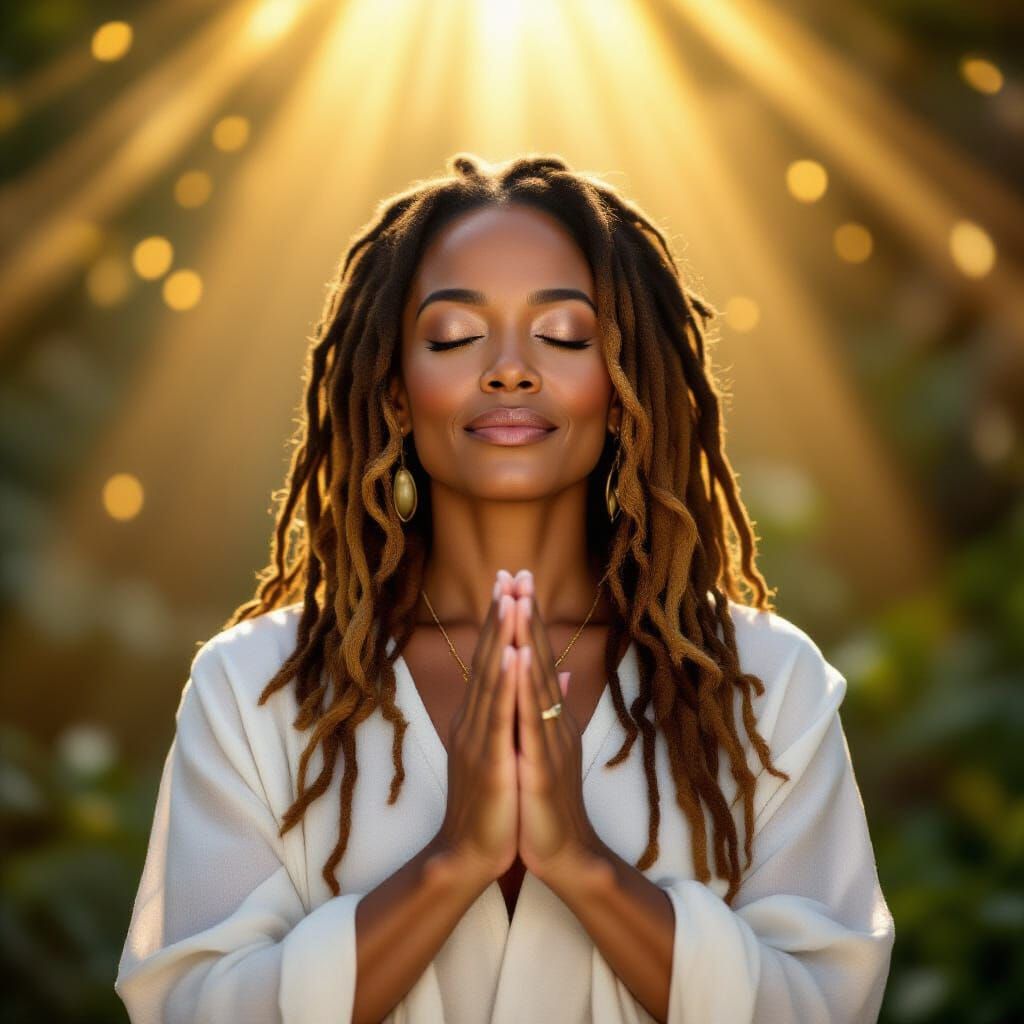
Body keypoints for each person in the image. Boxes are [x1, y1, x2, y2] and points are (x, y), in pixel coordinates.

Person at [115, 153, 895, 1023]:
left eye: (564, 334)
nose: (511, 370)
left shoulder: (762, 685)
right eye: (455, 336)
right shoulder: (254, 691)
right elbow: (191, 1008)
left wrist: (582, 863)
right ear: (395, 393)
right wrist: (452, 860)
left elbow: (826, 1004)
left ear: (623, 390)